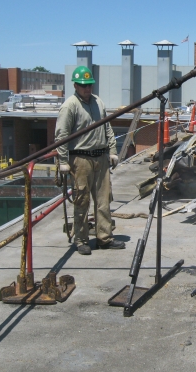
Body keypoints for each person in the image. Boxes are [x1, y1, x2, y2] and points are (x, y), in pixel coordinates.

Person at [55, 66, 125, 255]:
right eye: (83, 86)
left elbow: (107, 128)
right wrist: (63, 160)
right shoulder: (70, 106)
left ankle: (105, 237)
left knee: (103, 200)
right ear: (75, 85)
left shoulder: (98, 102)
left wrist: (112, 151)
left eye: (89, 85)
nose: (87, 89)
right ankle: (81, 240)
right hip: (81, 159)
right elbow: (61, 135)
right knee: (82, 200)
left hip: (100, 157)